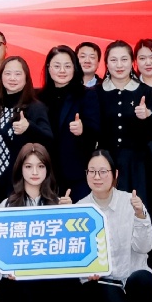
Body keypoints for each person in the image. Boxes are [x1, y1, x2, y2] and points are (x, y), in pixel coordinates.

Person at [78, 150, 152, 302]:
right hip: (102, 281)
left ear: (115, 174)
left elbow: (145, 247)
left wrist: (140, 215)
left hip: (132, 275)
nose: (97, 177)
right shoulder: (81, 208)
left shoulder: (130, 202)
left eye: (103, 171)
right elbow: (77, 255)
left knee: (146, 280)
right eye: (92, 171)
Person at [0, 144, 73, 302]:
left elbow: (69, 250)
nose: (35, 172)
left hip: (50, 280)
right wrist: (7, 270)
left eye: (40, 166)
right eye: (28, 166)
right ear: (20, 169)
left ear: (48, 169)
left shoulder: (59, 204)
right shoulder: (7, 205)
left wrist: (69, 214)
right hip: (17, 281)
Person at [97, 40, 152, 275]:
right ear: (106, 63)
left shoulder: (147, 92)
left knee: (141, 213)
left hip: (138, 166)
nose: (119, 65)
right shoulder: (96, 93)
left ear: (132, 62)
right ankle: (109, 271)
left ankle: (146, 271)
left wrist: (148, 116)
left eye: (124, 59)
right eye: (113, 60)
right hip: (107, 167)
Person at [0, 56, 52, 206]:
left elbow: (49, 140)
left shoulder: (35, 107)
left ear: (26, 78)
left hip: (23, 185)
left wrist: (29, 127)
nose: (12, 78)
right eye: (8, 73)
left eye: (18, 74)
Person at [39, 45, 99, 200]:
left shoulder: (86, 95)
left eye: (67, 66)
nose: (62, 71)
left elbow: (96, 131)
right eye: (57, 66)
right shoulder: (38, 98)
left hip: (76, 175)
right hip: (45, 175)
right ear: (48, 68)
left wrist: (83, 130)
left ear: (75, 68)